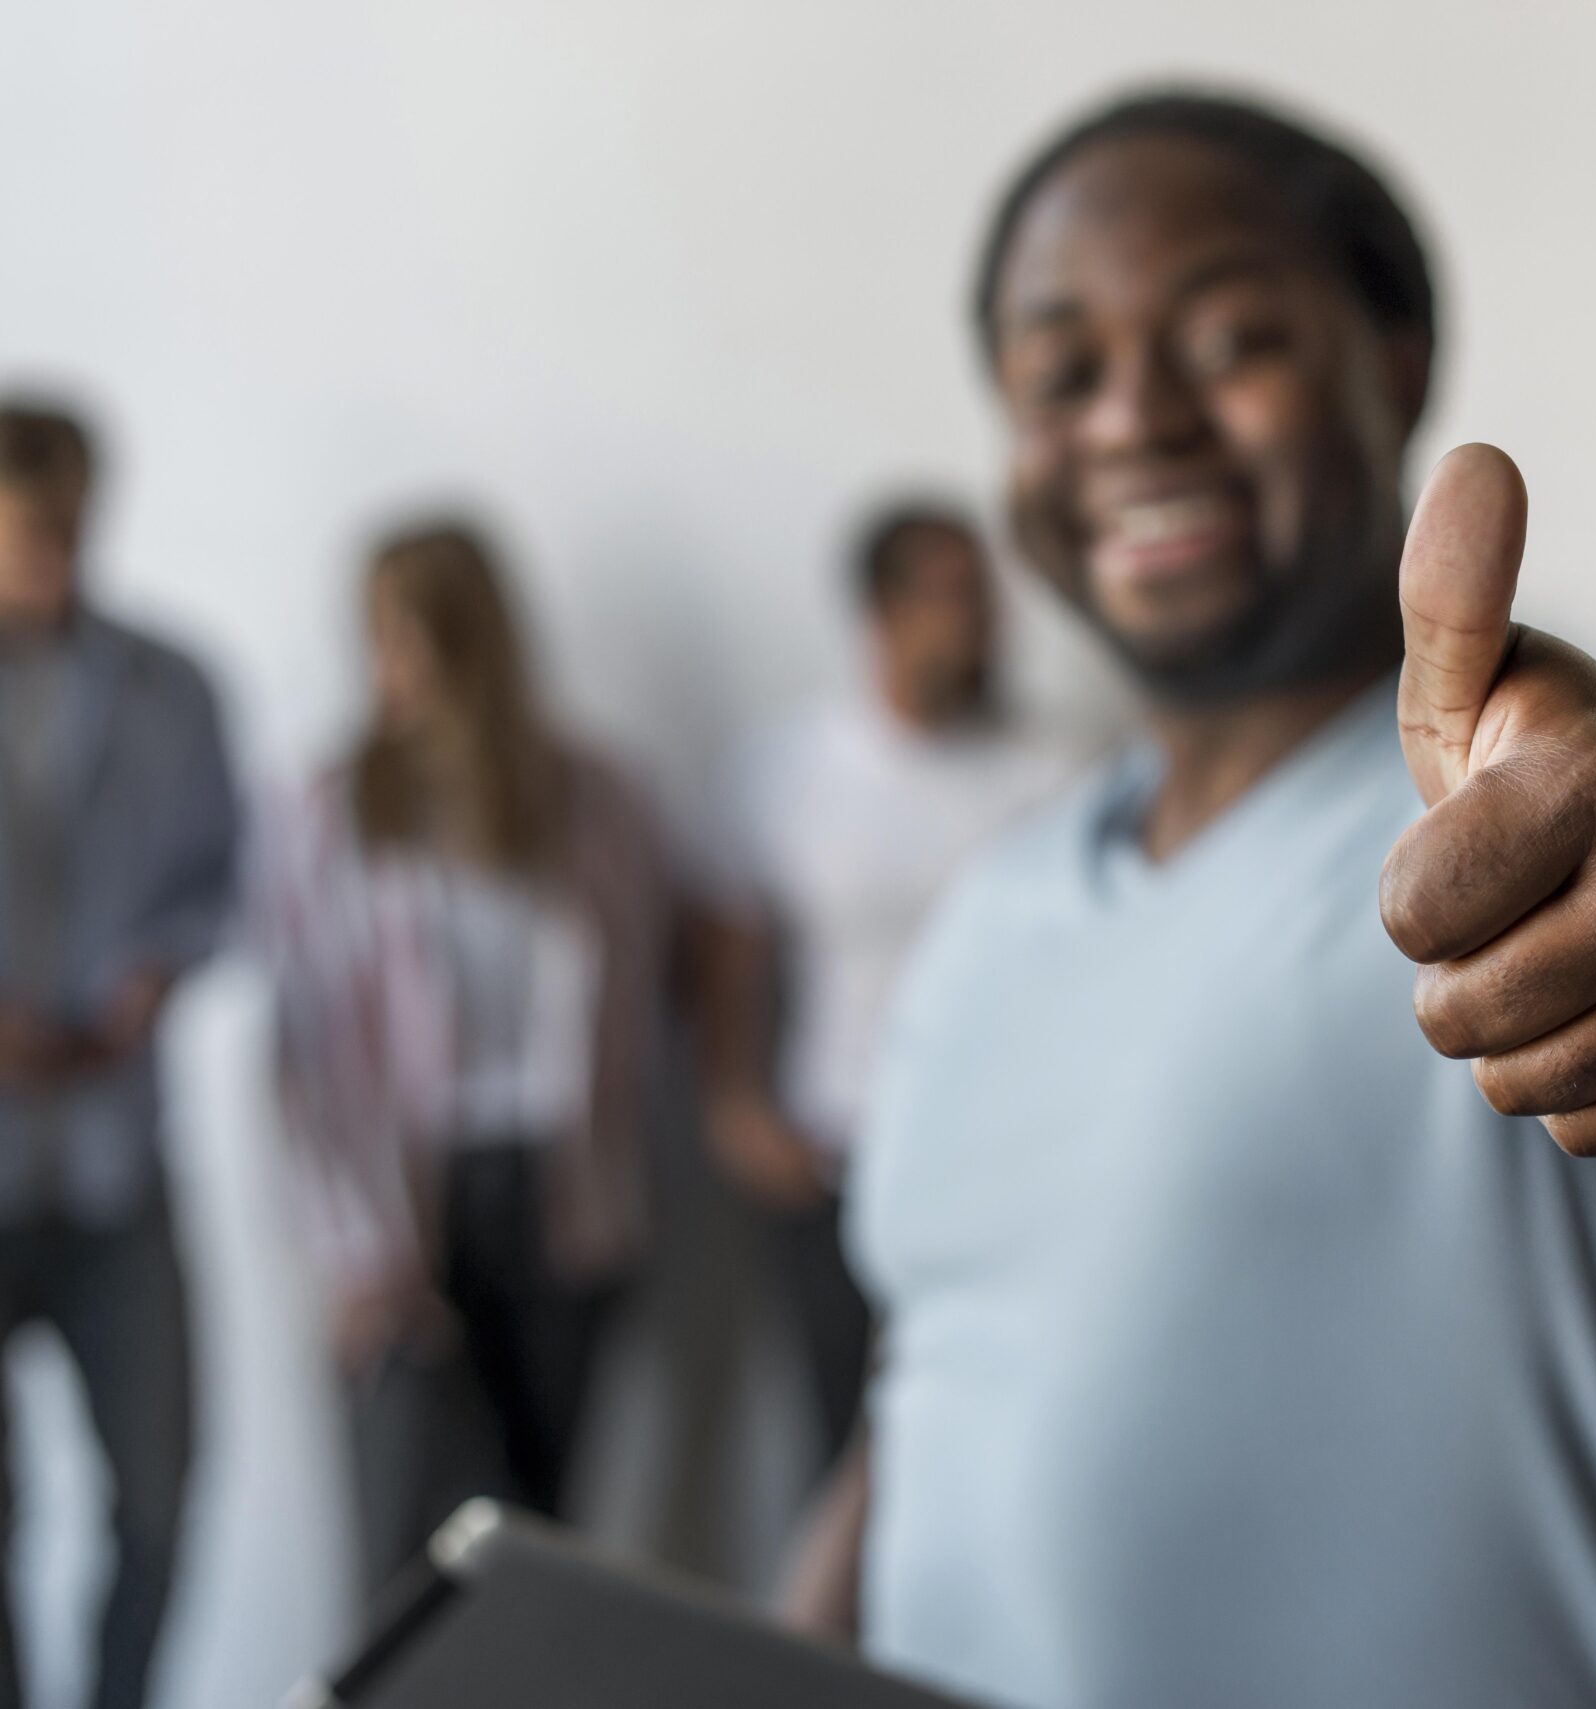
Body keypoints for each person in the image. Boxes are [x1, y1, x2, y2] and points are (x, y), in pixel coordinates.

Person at [781, 92, 1596, 1709]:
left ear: (1394, 357)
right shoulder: (994, 905)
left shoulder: (1536, 807)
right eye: (1060, 370)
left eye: (1227, 337)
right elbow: (940, 1375)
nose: (1134, 417)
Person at [262, 518, 673, 1591]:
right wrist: (356, 1246)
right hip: (404, 1202)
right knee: (401, 1541)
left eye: (417, 634)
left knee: (533, 1540)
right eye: (379, 637)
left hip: (556, 1195)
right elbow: (304, 1054)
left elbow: (638, 992)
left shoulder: (593, 796)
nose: (394, 665)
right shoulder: (337, 806)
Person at [695, 501, 1082, 1465]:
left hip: (1000, 1167)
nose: (986, 624)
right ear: (882, 612)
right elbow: (734, 951)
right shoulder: (787, 770)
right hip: (830, 1153)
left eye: (987, 598)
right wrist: (736, 1101)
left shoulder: (1052, 775)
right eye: (956, 597)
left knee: (988, 1440)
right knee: (841, 1437)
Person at [0, 398, 239, 1709]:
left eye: (75, 525)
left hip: (114, 1161)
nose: (58, 552)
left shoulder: (172, 686)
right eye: (31, 528)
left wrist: (159, 969)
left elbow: (220, 878)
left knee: (158, 1491)